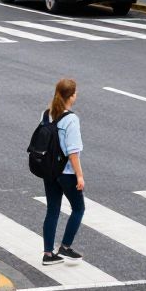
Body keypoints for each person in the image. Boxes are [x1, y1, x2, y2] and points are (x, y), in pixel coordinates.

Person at [41, 78, 85, 266]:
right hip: (66, 172)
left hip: (49, 169)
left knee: (52, 210)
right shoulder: (71, 119)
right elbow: (73, 152)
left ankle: (48, 253)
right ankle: (65, 246)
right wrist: (80, 176)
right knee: (78, 208)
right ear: (72, 96)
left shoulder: (46, 114)